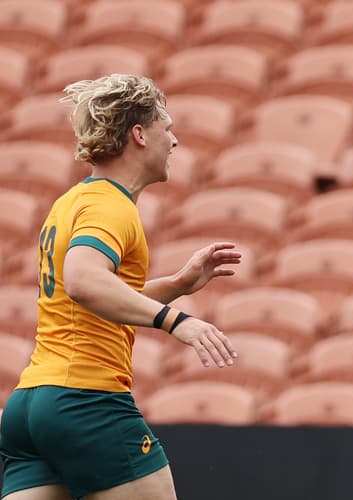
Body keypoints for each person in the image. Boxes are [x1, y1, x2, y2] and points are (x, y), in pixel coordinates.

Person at [0, 74, 241, 500]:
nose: (176, 141)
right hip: (86, 401)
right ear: (139, 134)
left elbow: (93, 300)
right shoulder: (112, 206)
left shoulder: (72, 201)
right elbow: (82, 280)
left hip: (29, 407)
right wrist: (176, 321)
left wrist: (178, 285)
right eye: (167, 128)